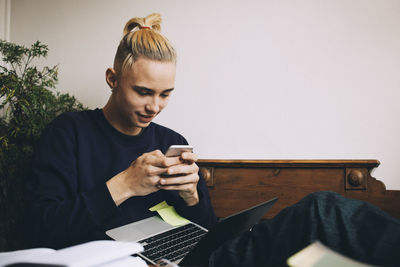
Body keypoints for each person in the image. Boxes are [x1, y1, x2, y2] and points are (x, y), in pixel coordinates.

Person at [25, 13, 216, 250]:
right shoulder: (67, 133)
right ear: (112, 79)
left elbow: (207, 236)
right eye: (143, 92)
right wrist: (124, 185)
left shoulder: (173, 141)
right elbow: (40, 229)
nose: (154, 107)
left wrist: (192, 199)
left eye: (165, 94)